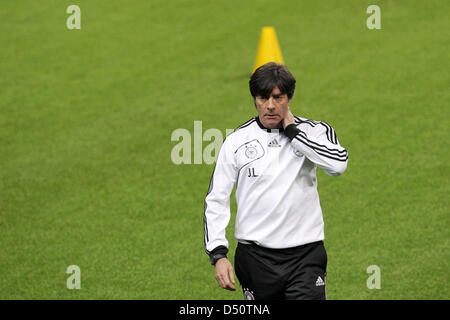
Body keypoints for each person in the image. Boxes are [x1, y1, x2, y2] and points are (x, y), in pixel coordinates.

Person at [203, 62, 348, 300]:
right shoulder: (237, 142)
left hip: (306, 256)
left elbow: (338, 165)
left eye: (278, 97)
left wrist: (293, 133)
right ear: (254, 100)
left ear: (289, 98)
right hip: (255, 260)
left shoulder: (314, 132)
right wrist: (218, 255)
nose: (270, 106)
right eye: (263, 98)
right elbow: (217, 199)